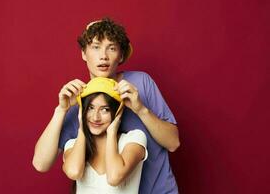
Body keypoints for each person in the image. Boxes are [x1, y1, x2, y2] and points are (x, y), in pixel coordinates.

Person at [33, 17, 180, 193]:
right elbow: (41, 163)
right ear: (83, 53)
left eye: (111, 48)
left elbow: (173, 143)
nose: (103, 56)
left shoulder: (141, 83)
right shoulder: (82, 102)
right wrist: (61, 110)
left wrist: (140, 109)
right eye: (95, 47)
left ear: (121, 55)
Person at [63, 77, 147, 193]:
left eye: (105, 109)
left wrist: (112, 132)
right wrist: (82, 128)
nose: (95, 117)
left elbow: (114, 177)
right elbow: (74, 172)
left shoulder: (134, 139)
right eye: (91, 108)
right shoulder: (73, 145)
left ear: (117, 111)